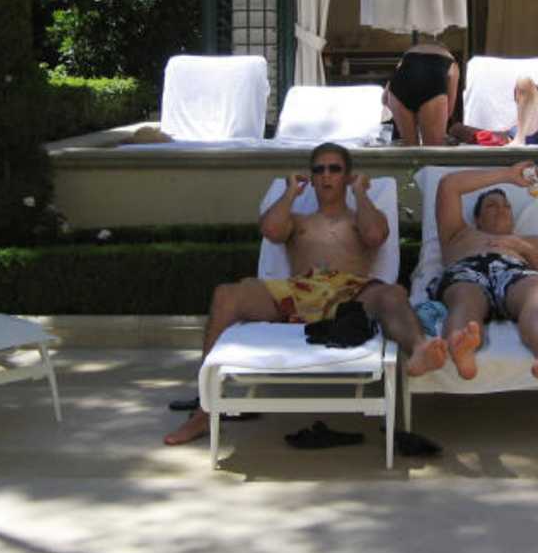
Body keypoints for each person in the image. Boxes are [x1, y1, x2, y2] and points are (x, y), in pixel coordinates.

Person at [165, 143, 447, 445]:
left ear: (347, 176)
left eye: (335, 169)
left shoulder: (359, 218)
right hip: (299, 290)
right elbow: (271, 230)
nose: (326, 175)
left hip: (350, 293)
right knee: (226, 294)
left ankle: (419, 349)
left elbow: (376, 235)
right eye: (319, 170)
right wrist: (290, 192)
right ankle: (204, 410)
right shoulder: (298, 221)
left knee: (392, 294)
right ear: (311, 178)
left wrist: (361, 192)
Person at [430, 162, 538, 380]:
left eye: (507, 206)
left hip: (516, 273)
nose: (501, 210)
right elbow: (448, 185)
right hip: (468, 271)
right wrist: (508, 175)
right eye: (492, 206)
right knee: (465, 296)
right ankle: (462, 348)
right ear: (477, 219)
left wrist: (524, 249)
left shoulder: (533, 242)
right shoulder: (458, 234)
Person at [385, 42, 459, 146]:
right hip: (434, 78)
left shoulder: (407, 56)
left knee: (410, 150)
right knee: (432, 150)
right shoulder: (451, 61)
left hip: (400, 83)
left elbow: (384, 98)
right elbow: (449, 110)